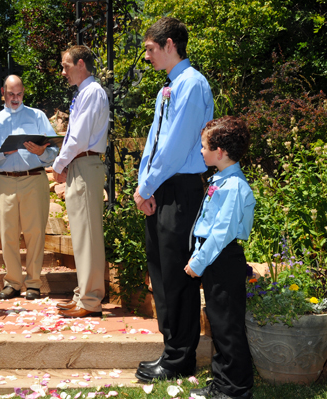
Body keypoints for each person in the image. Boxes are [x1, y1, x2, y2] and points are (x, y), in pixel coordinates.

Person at [133, 17, 214, 382]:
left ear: (169, 45)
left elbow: (177, 145)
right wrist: (143, 185)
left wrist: (148, 186)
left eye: (150, 49)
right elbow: (154, 141)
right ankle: (171, 351)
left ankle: (181, 357)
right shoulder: (167, 88)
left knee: (179, 276)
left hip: (181, 189)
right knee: (162, 273)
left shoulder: (192, 85)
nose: (147, 56)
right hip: (161, 187)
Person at [186, 116, 255, 399]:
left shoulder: (234, 187)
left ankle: (236, 389)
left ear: (220, 152)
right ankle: (222, 382)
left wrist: (197, 263)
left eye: (203, 146)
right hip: (216, 260)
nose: (200, 151)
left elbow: (222, 232)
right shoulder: (221, 180)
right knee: (218, 323)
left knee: (228, 327)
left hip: (224, 260)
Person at [0, 75, 59, 301]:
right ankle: (12, 282)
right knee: (8, 235)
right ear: (3, 93)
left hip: (34, 178)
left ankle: (33, 283)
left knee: (34, 234)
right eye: (11, 94)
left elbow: (54, 149)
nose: (15, 98)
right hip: (5, 180)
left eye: (19, 94)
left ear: (24, 93)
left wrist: (43, 152)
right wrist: (2, 152)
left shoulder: (37, 116)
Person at [52, 45, 109, 318]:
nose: (63, 72)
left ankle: (90, 300)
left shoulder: (93, 92)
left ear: (81, 64)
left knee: (88, 235)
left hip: (85, 163)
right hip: (81, 163)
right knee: (82, 234)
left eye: (66, 65)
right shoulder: (85, 93)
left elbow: (79, 137)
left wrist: (59, 164)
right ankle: (84, 293)